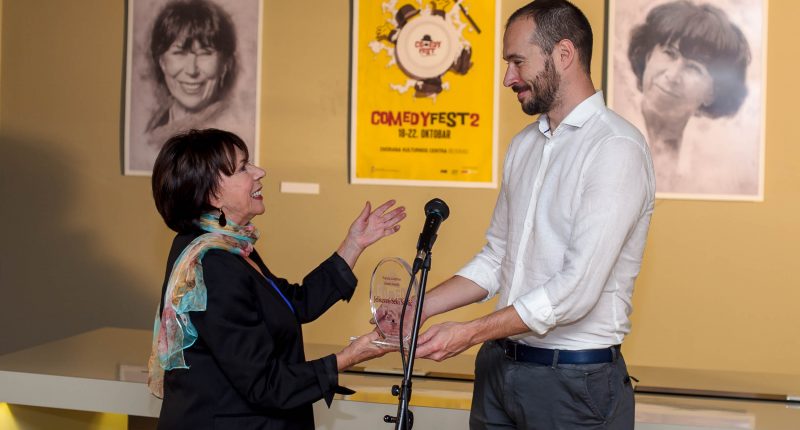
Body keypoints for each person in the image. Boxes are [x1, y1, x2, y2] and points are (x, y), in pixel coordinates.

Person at [411, 1, 656, 429]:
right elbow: (497, 258)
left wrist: (468, 332)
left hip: (574, 385)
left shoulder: (616, 148)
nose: (508, 78)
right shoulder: (524, 145)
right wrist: (419, 308)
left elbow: (575, 291)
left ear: (563, 54)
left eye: (517, 61)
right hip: (497, 370)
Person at [147, 128, 406, 429]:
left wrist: (354, 244)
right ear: (213, 195)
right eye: (243, 167)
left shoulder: (222, 244)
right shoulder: (212, 265)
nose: (260, 172)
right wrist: (348, 357)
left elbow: (293, 303)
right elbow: (265, 385)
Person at [627, 0, 750, 191]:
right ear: (648, 56)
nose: (673, 76)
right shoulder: (613, 126)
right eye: (669, 53)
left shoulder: (715, 167)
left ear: (712, 93)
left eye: (693, 68)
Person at [146, 0, 238, 146]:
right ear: (162, 62)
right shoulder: (154, 124)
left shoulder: (234, 127)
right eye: (179, 53)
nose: (192, 70)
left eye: (205, 53)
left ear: (225, 64)